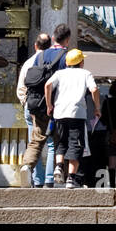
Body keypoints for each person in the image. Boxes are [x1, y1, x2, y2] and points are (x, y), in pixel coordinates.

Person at [44, 48, 100, 188]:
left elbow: (47, 85)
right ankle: (71, 179)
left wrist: (49, 104)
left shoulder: (60, 73)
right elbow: (94, 89)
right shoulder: (85, 73)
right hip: (77, 113)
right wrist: (97, 107)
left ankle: (58, 166)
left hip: (60, 113)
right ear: (81, 62)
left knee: (61, 142)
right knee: (76, 145)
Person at [33, 23, 71, 186]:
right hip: (60, 105)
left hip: (39, 104)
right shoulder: (66, 57)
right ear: (67, 40)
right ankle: (52, 178)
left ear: (53, 38)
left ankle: (29, 170)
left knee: (37, 141)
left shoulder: (40, 56)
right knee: (56, 142)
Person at [16, 32, 51, 187]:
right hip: (48, 107)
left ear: (35, 45)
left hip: (31, 107)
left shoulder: (29, 62)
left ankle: (38, 180)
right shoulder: (52, 62)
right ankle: (50, 180)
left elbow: (20, 88)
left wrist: (26, 103)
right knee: (51, 144)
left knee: (34, 143)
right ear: (50, 47)